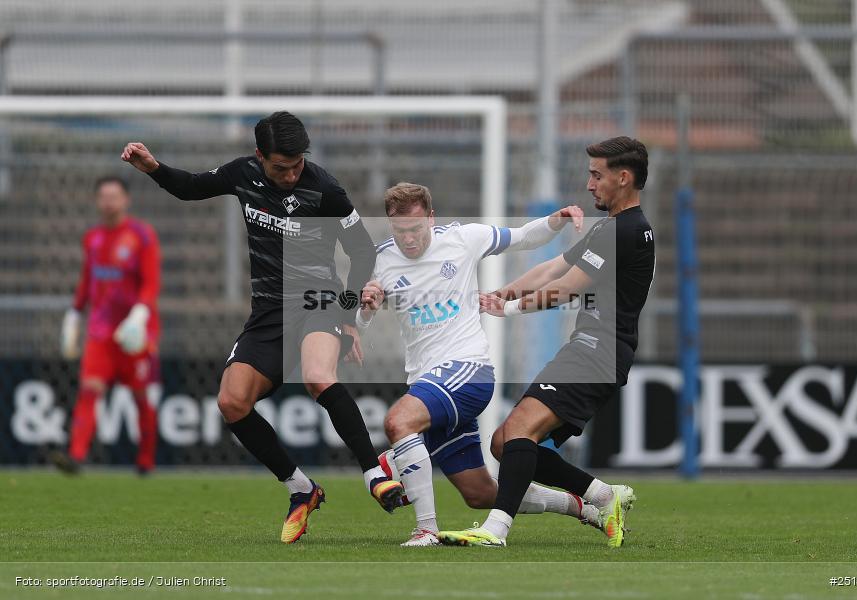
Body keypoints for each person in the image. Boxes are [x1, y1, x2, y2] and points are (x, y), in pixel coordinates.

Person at [120, 111, 403, 544]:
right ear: (260, 157)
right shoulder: (242, 174)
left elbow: (362, 253)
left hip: (319, 301)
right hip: (270, 312)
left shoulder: (325, 189)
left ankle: (373, 471)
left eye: (297, 165)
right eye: (280, 167)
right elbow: (193, 188)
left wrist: (348, 319)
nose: (291, 175)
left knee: (317, 376)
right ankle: (301, 489)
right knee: (232, 402)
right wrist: (154, 168)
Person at [357, 182, 611, 547]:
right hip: (427, 381)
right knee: (481, 492)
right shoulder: (381, 259)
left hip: (468, 370)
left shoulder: (464, 239)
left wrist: (556, 220)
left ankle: (425, 529)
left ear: (431, 218)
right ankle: (578, 506)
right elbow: (362, 320)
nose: (409, 239)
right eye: (400, 231)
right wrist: (366, 308)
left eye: (415, 229)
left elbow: (523, 236)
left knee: (399, 421)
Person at [439, 137, 654, 548]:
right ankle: (602, 497)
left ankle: (495, 531)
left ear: (623, 178)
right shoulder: (613, 227)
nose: (589, 184)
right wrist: (504, 292)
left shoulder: (626, 231)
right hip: (593, 350)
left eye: (597, 174)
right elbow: (553, 268)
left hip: (598, 352)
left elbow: (567, 289)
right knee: (506, 442)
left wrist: (512, 310)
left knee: (519, 429)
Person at [55, 176, 161, 475]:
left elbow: (151, 283)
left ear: (126, 199)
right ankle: (76, 456)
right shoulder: (92, 238)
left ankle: (146, 460)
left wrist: (140, 315)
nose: (108, 202)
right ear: (96, 200)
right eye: (103, 196)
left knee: (141, 397)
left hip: (135, 331)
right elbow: (88, 280)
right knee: (89, 390)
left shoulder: (141, 236)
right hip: (101, 330)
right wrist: (75, 314)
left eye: (114, 196)